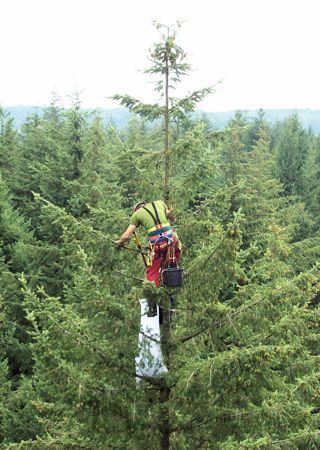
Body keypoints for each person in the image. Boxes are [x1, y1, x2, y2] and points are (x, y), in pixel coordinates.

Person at [115, 200, 181, 287]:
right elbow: (170, 214)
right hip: (171, 240)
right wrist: (173, 218)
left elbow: (126, 236)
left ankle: (151, 289)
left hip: (157, 245)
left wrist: (119, 242)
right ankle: (173, 269)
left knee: (152, 270)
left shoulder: (136, 214)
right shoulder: (159, 203)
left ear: (136, 210)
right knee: (177, 247)